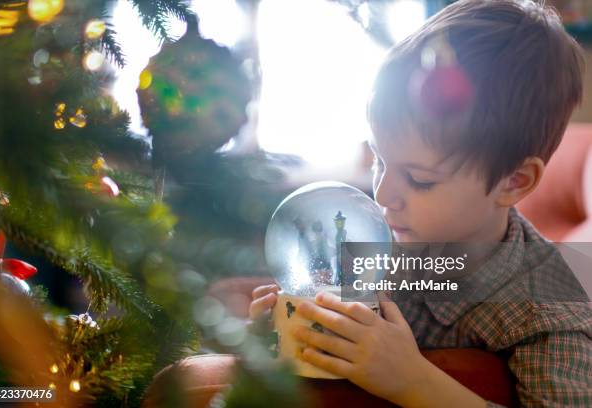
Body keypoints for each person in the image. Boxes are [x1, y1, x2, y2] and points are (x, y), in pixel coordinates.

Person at [249, 1, 592, 406]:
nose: (382, 195)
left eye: (419, 180)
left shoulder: (551, 315)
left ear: (514, 182)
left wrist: (412, 380)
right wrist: (285, 331)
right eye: (379, 160)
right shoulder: (388, 246)